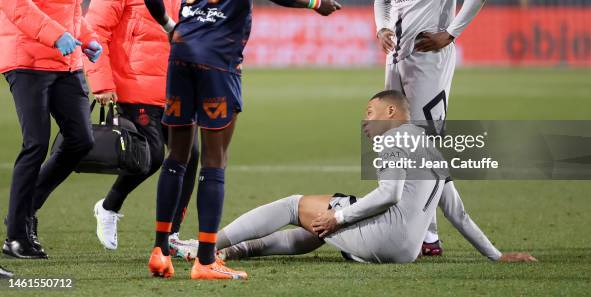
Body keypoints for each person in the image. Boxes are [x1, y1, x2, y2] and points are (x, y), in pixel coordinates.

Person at [144, 0, 341, 280]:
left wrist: (171, 28)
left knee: (177, 157)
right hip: (219, 61)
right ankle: (205, 260)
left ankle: (160, 251)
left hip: (181, 56)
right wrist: (316, 1)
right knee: (214, 161)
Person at [211, 90, 535, 265]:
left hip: (383, 239)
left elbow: (389, 194)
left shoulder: (394, 138)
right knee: (318, 227)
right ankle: (234, 252)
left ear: (390, 113)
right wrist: (495, 255)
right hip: (407, 251)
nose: (365, 120)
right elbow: (457, 214)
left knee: (295, 206)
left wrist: (339, 216)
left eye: (369, 112)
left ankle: (206, 245)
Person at [370, 0, 496, 253]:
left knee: (425, 149)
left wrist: (451, 33)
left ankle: (430, 235)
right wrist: (382, 27)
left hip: (429, 64)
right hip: (396, 62)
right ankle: (426, 234)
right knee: (396, 142)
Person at [0, 0, 103, 259]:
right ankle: (17, 237)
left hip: (63, 58)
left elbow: (70, 5)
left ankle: (23, 214)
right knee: (36, 143)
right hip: (27, 56)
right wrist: (54, 34)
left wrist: (86, 35)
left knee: (81, 139)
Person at [84, 0, 199, 251]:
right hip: (132, 84)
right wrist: (101, 82)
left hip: (175, 86)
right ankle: (108, 206)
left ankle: (172, 236)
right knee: (148, 156)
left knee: (189, 156)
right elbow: (95, 32)